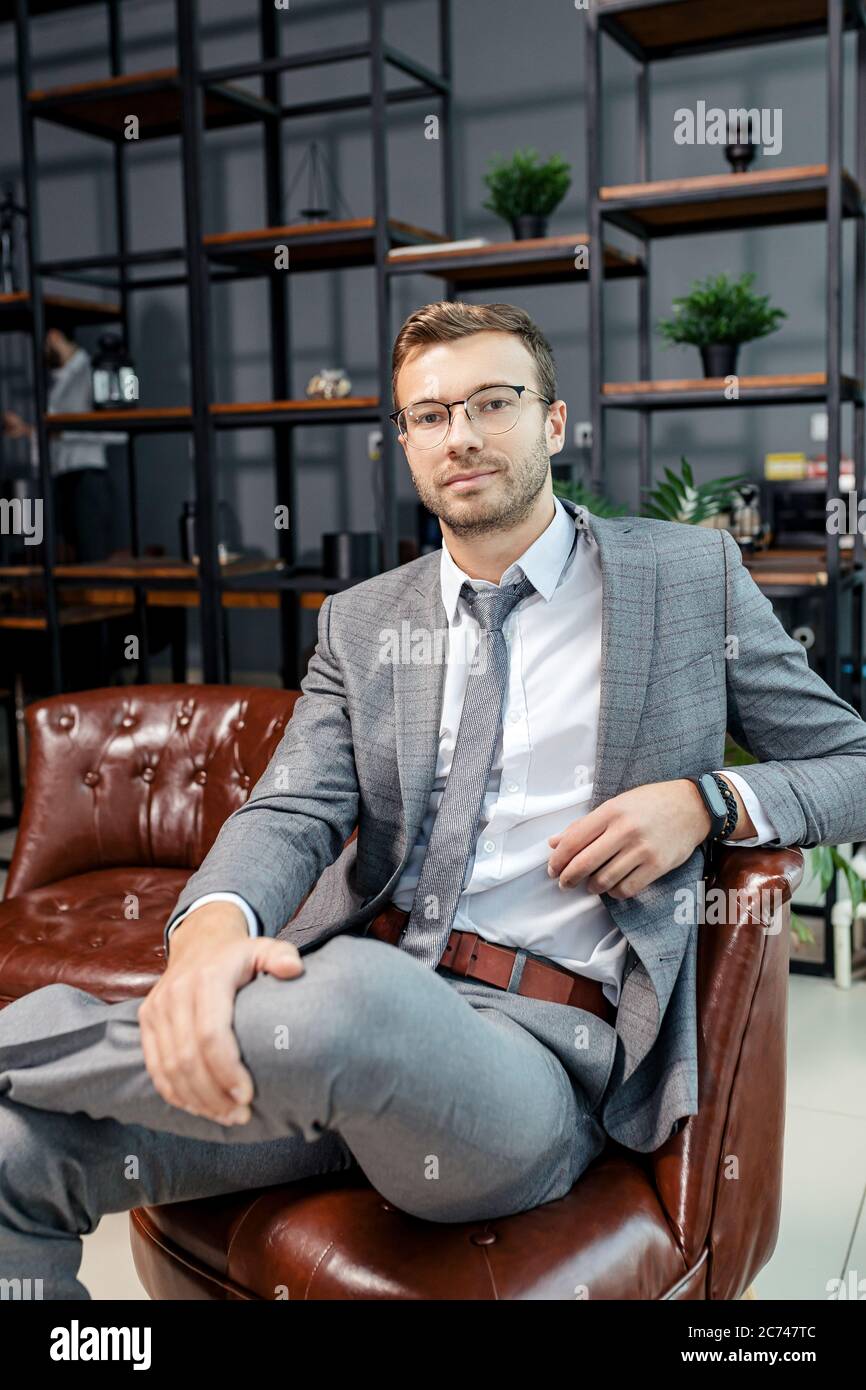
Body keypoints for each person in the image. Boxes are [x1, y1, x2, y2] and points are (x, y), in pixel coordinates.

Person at [2, 300, 866, 1302]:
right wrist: (203, 939)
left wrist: (704, 801)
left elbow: (851, 764)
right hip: (335, 1060)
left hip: (531, 1067)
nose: (458, 434)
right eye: (427, 414)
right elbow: (288, 812)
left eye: (490, 402)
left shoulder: (684, 580)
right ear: (404, 441)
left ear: (551, 423)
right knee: (16, 1148)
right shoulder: (365, 623)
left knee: (357, 997)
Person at [2, 327, 125, 562]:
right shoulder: (61, 379)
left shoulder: (96, 371)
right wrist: (31, 431)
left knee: (92, 560)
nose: (41, 353)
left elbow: (119, 431)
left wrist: (61, 433)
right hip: (62, 480)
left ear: (54, 336)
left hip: (88, 481)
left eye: (42, 345)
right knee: (69, 560)